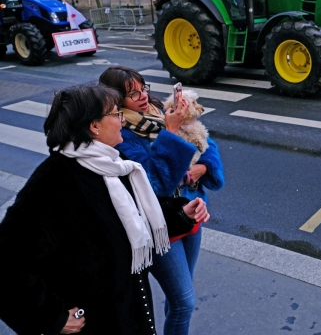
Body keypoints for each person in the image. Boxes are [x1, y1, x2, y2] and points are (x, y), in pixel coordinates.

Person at [0, 85, 175, 334]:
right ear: (94, 126)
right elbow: (8, 258)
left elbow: (134, 215)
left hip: (128, 311)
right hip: (97, 322)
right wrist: (51, 316)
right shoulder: (54, 179)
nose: (122, 119)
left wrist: (182, 214)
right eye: (116, 114)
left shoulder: (113, 164)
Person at [99, 66, 225, 335]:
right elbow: (156, 183)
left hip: (191, 212)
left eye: (143, 88)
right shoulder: (120, 133)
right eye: (133, 94)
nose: (143, 96)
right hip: (159, 224)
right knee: (184, 302)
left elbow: (206, 141)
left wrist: (204, 167)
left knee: (180, 295)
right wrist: (171, 131)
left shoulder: (157, 110)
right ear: (116, 100)